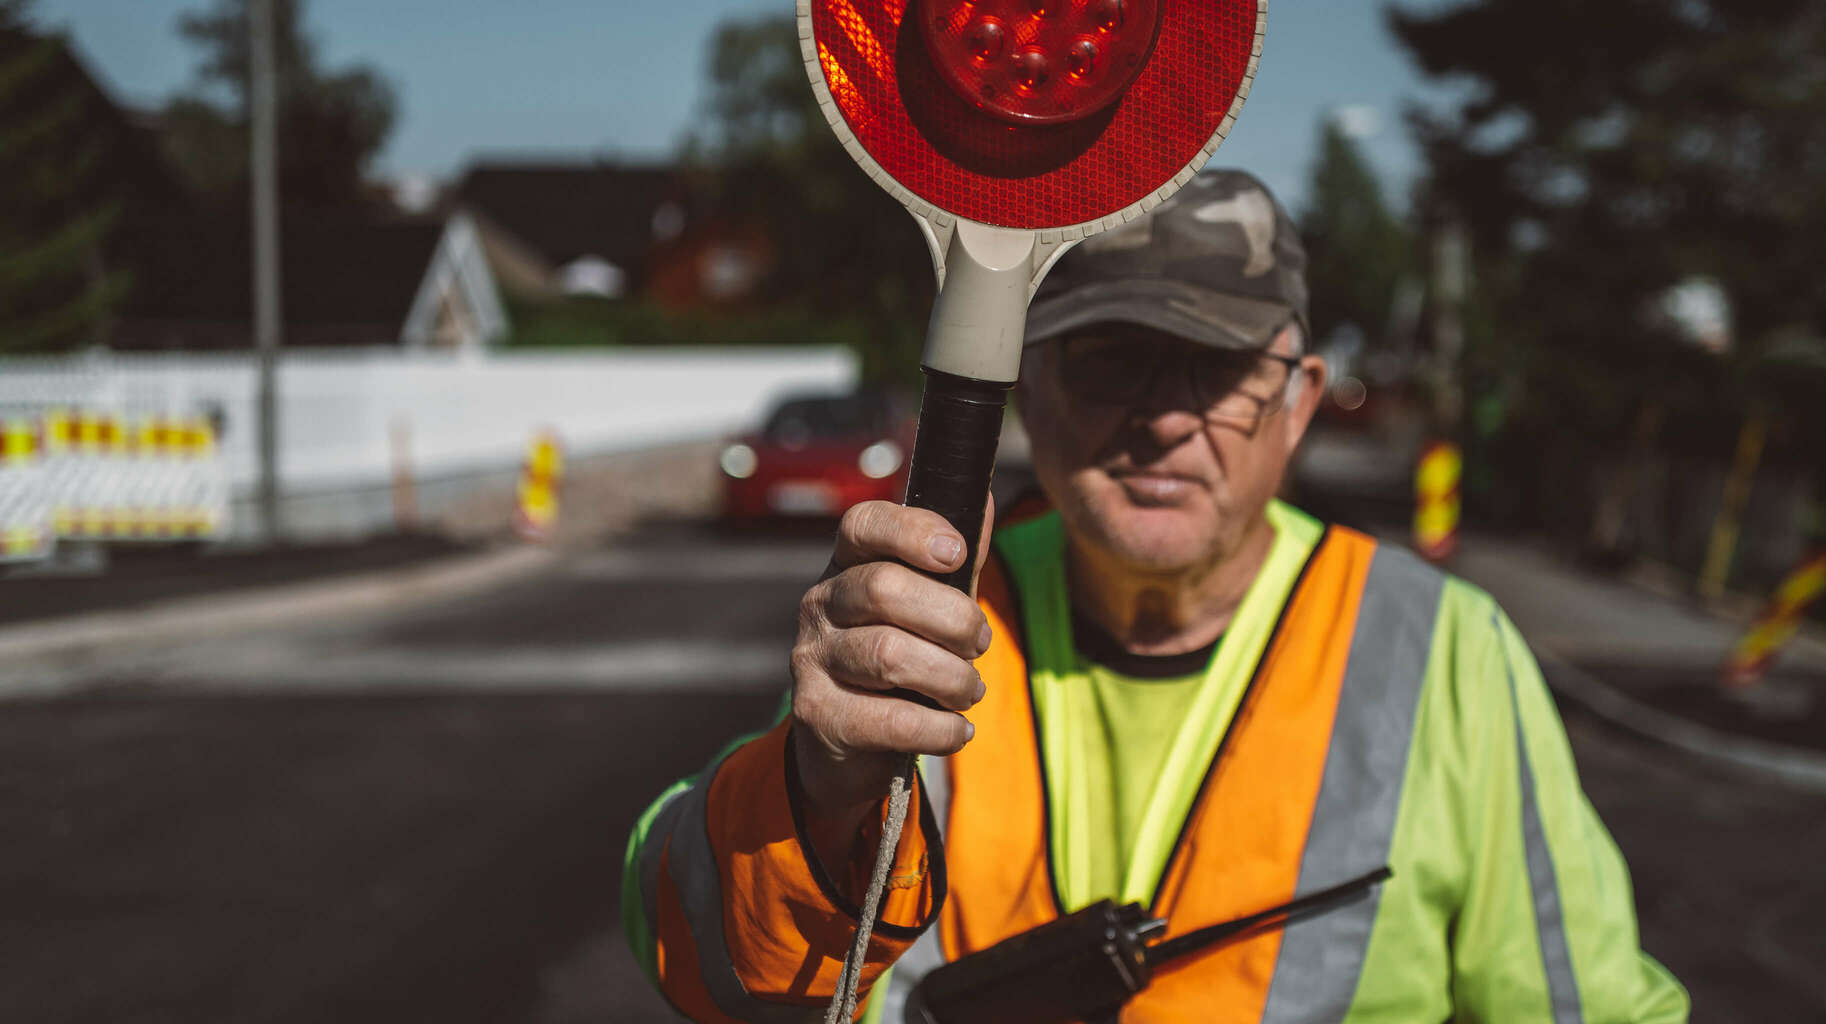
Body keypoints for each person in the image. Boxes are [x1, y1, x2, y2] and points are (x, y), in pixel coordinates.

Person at [622, 170, 1689, 1023]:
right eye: (1110, 361)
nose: (1165, 419)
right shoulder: (922, 621)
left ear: (1298, 402)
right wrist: (815, 792)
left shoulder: (1441, 645)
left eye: (1217, 369)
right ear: (1026, 383)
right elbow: (713, 968)